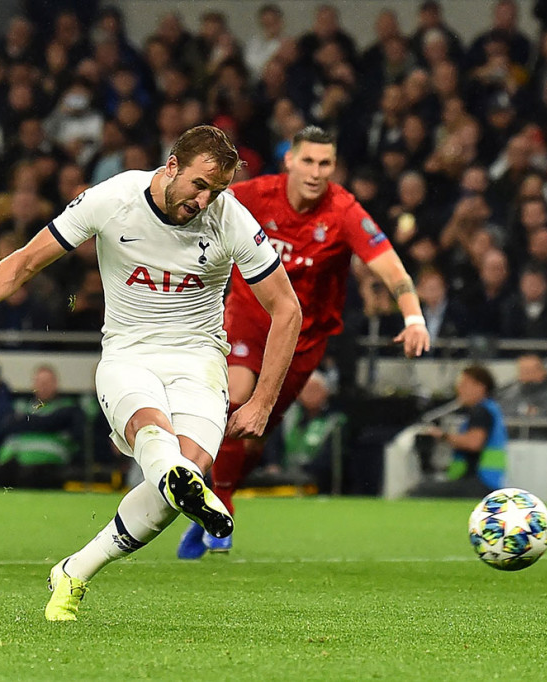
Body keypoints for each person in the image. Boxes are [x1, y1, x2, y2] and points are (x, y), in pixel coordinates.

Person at [0, 125, 302, 621]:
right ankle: (177, 477)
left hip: (199, 360)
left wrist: (263, 401)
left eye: (217, 190)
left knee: (179, 483)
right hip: (128, 355)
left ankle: (75, 569)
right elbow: (28, 261)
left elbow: (287, 309)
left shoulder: (231, 218)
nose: (204, 201)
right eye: (199, 185)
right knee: (155, 436)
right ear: (172, 166)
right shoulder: (114, 198)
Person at [178, 126, 430, 559]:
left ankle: (220, 497)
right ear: (290, 161)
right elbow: (196, 204)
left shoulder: (343, 211)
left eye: (325, 163)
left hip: (302, 339)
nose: (315, 172)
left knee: (254, 434)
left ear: (334, 167)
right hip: (247, 320)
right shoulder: (255, 195)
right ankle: (218, 507)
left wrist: (414, 317)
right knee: (235, 399)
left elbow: (392, 268)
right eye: (308, 161)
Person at [0, 364, 86, 489]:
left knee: (29, 475)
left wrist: (27, 422)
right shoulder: (21, 406)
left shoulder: (68, 408)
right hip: (16, 461)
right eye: (40, 382)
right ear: (34, 385)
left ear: (56, 384)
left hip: (50, 464)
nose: (43, 386)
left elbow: (52, 422)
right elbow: (7, 425)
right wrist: (45, 423)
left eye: (47, 382)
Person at [413, 365, 507, 498]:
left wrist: (443, 436)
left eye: (464, 385)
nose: (459, 389)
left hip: (480, 481)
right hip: (487, 480)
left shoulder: (481, 411)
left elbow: (474, 443)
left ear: (480, 387)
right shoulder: (491, 409)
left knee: (419, 492)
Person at [260, 371, 345, 494]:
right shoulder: (287, 416)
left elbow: (331, 459)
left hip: (317, 483)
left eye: (315, 390)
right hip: (283, 480)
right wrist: (273, 464)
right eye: (306, 389)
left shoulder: (335, 422)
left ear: (326, 392)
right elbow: (273, 444)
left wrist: (305, 471)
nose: (310, 394)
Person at [496, 353, 547, 437]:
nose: (525, 374)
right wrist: (526, 411)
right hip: (513, 441)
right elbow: (502, 416)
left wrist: (520, 414)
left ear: (542, 371)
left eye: (529, 370)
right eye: (522, 370)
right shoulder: (511, 394)